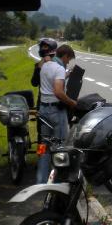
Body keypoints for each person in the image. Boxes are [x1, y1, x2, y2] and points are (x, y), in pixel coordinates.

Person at [36, 44, 77, 183]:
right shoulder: (59, 68)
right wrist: (72, 102)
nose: (67, 62)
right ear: (65, 56)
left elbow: (50, 81)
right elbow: (58, 92)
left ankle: (40, 179)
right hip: (56, 111)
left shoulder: (45, 66)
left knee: (43, 145)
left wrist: (65, 75)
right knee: (60, 147)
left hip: (43, 110)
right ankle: (59, 181)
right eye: (68, 60)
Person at [31, 38, 57, 140]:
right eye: (42, 47)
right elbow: (34, 83)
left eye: (45, 47)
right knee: (41, 129)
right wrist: (38, 69)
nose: (43, 49)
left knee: (56, 128)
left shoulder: (57, 64)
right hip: (42, 101)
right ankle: (41, 152)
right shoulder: (38, 65)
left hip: (56, 101)